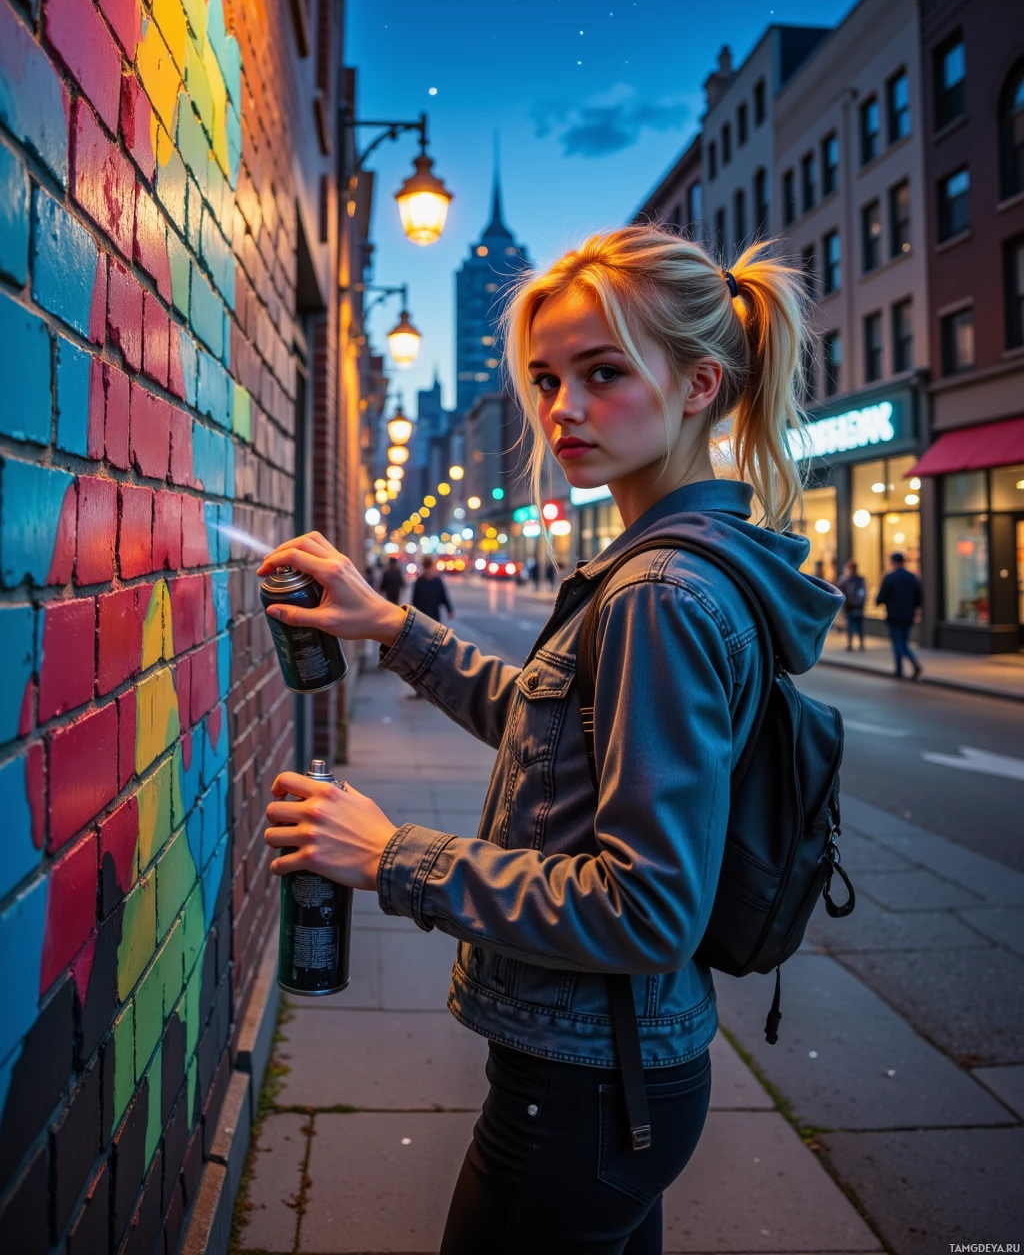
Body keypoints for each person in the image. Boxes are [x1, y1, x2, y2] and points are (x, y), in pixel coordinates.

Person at [259, 229, 841, 1254]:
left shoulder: (657, 593)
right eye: (543, 378)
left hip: (582, 1091)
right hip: (615, 1075)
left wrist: (393, 856)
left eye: (601, 372)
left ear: (700, 383)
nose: (560, 407)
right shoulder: (675, 564)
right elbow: (557, 729)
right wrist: (395, 626)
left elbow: (647, 910)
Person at [876, 551, 922, 679]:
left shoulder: (890, 577)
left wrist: (880, 602)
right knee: (904, 642)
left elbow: (881, 597)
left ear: (893, 562)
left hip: (894, 615)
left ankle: (901, 669)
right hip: (909, 615)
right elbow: (919, 598)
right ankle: (910, 666)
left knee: (898, 643)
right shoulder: (912, 577)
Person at [411, 555, 453, 622]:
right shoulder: (437, 581)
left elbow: (414, 600)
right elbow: (444, 597)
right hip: (434, 615)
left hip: (422, 616)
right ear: (432, 565)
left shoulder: (419, 581)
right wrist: (450, 610)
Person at [836, 559, 867, 651]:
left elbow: (863, 593)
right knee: (850, 627)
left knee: (859, 626)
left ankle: (861, 643)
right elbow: (839, 590)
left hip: (858, 608)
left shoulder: (860, 580)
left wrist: (858, 601)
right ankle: (850, 643)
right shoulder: (845, 580)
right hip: (850, 608)